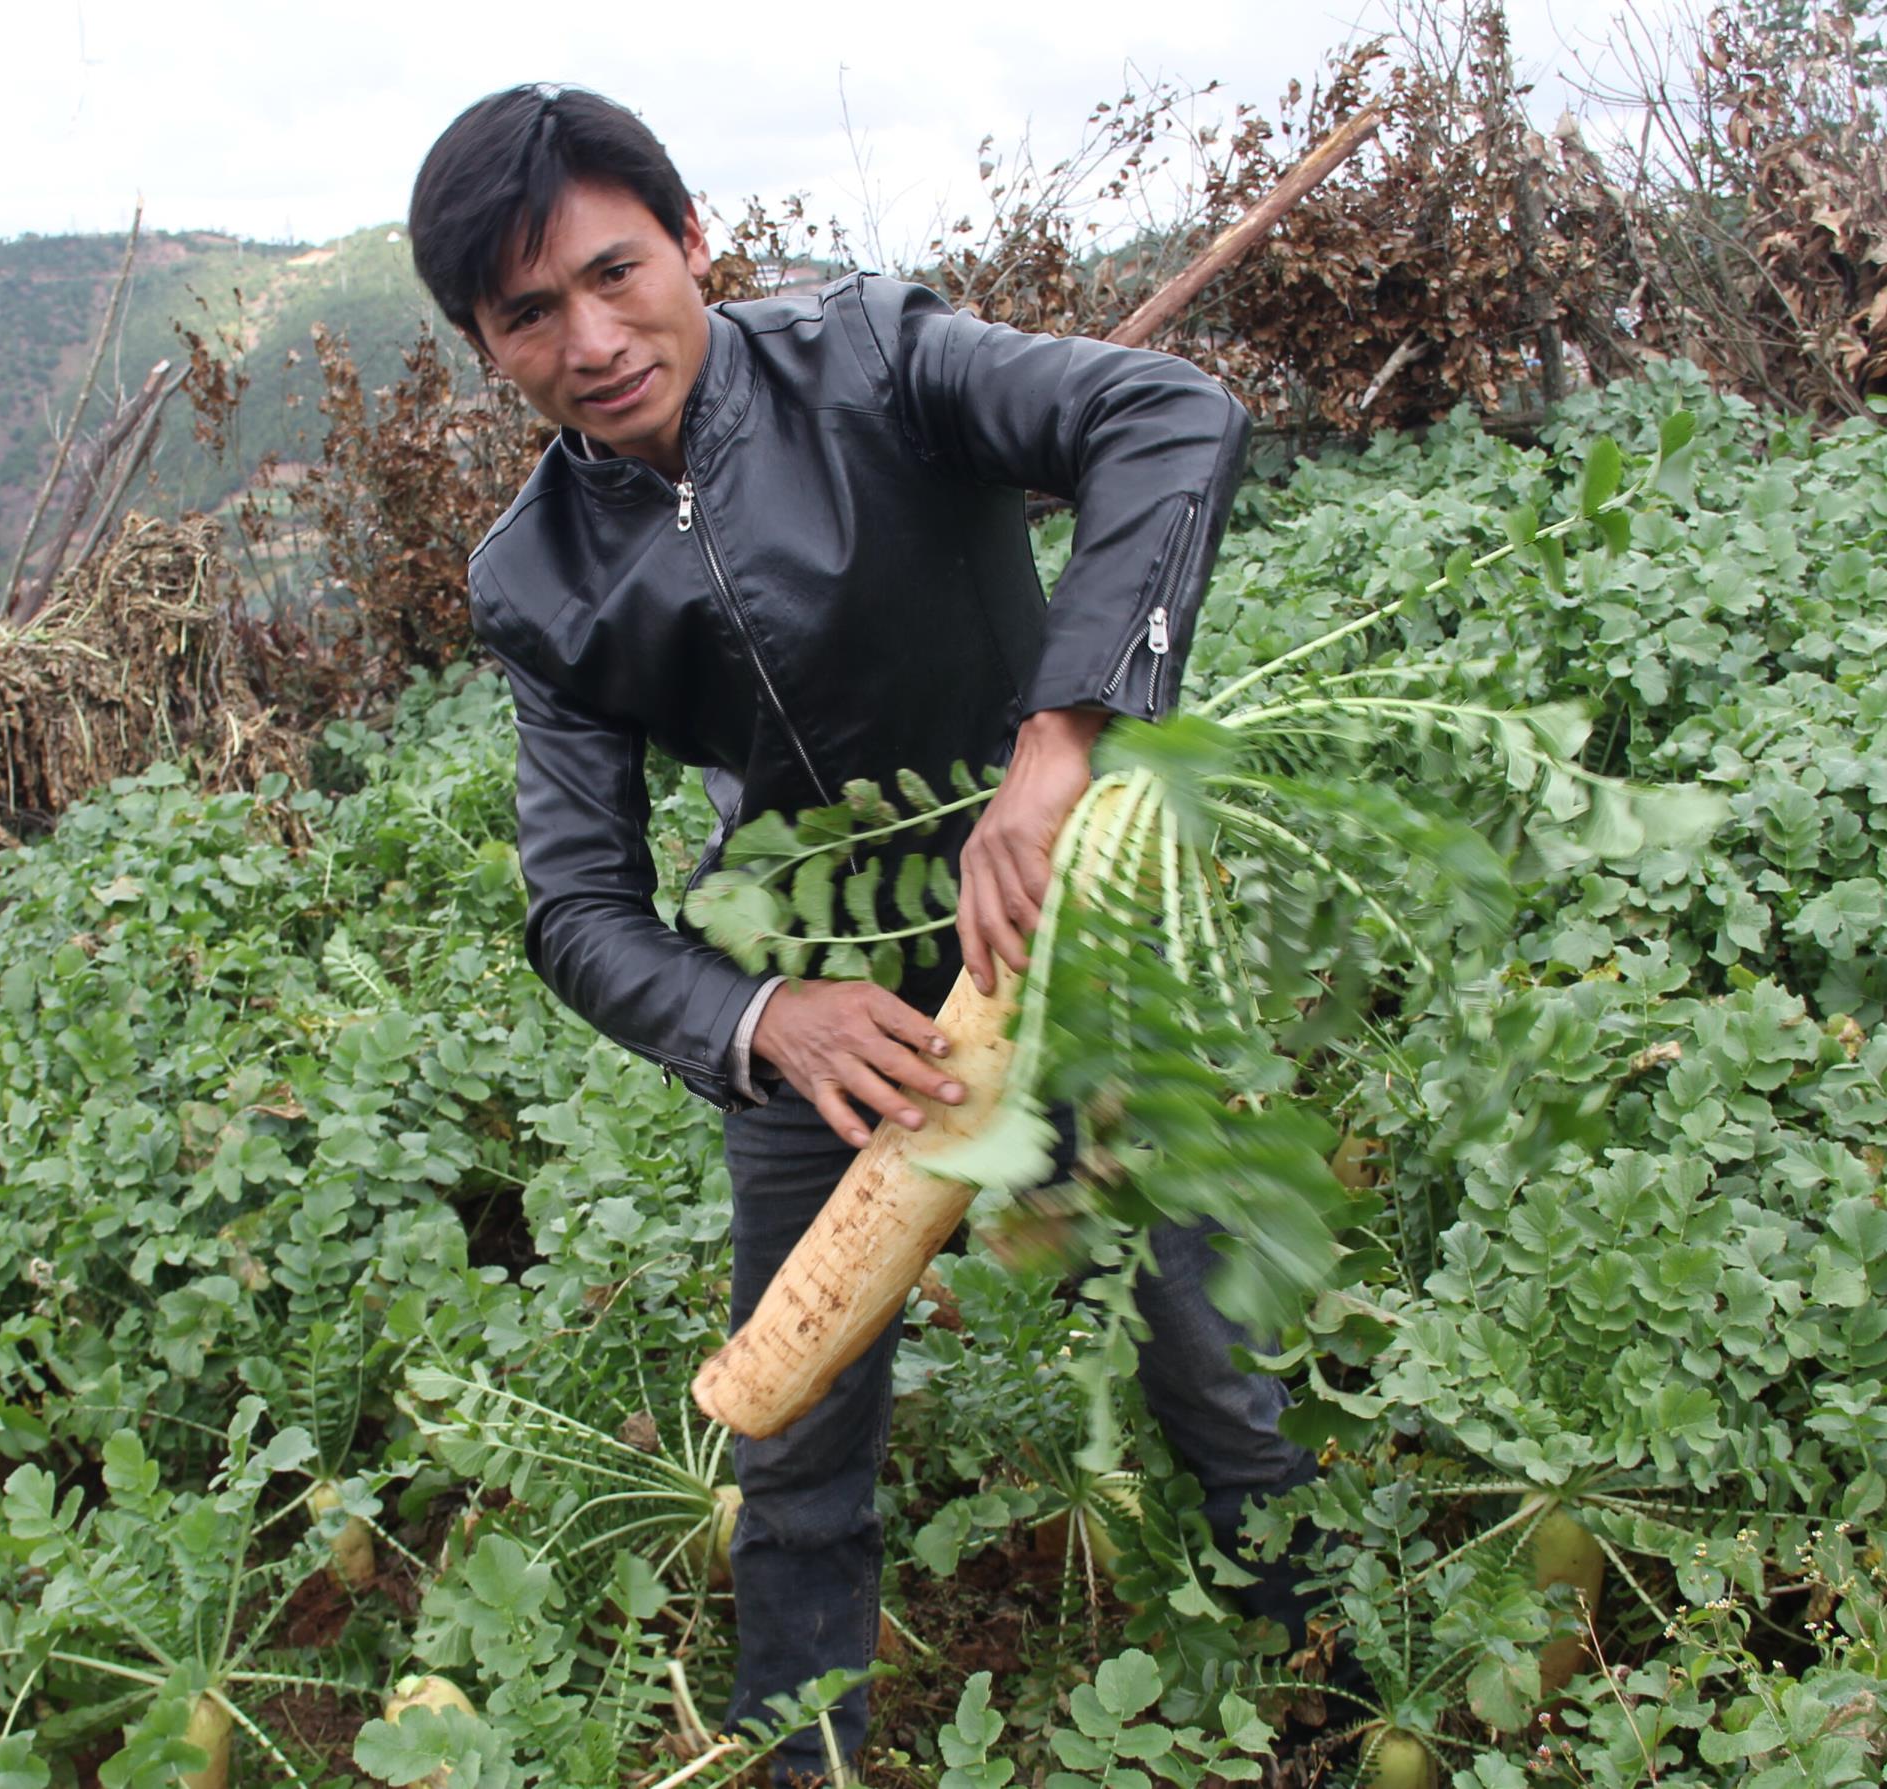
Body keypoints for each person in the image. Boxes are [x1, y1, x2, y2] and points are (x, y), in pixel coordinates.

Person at [409, 84, 1321, 1785]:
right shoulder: (536, 579)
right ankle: (801, 1756)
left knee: (1200, 1347)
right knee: (798, 1444)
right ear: (488, 343)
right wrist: (766, 1021)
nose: (595, 339)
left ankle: (1307, 1650)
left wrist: (1057, 746)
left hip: (1047, 937)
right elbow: (579, 904)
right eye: (532, 313)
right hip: (830, 1041)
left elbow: (1169, 417)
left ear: (693, 242)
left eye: (620, 272)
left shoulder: (879, 357)